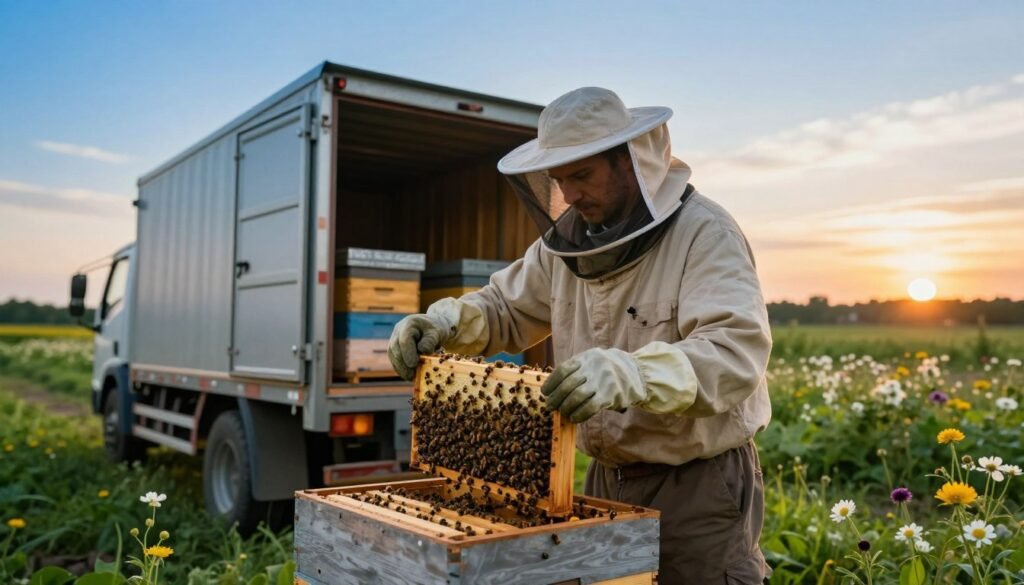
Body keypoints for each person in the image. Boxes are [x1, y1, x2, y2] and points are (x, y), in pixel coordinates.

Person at [388, 87, 772, 584]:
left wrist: (631, 372)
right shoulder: (567, 246)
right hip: (604, 477)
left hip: (695, 482)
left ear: (630, 162)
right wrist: (447, 323)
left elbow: (734, 352)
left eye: (582, 175)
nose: (568, 195)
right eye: (559, 179)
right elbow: (505, 308)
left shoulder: (704, 233)